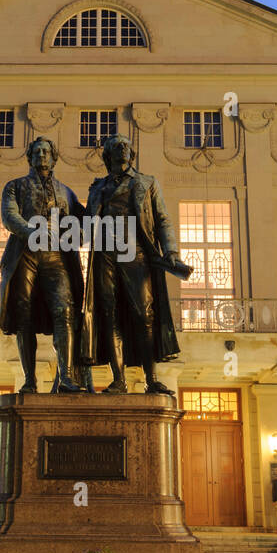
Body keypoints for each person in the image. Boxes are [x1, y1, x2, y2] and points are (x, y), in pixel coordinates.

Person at [80, 134, 190, 394]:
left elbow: (162, 219)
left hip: (137, 253)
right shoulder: (97, 188)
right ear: (107, 156)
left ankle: (152, 379)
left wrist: (171, 250)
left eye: (126, 146)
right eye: (116, 146)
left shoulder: (146, 183)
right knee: (109, 315)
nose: (122, 149)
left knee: (145, 315)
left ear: (132, 154)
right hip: (105, 254)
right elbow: (84, 224)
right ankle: (119, 380)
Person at [0, 136, 88, 393]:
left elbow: (87, 219)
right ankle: (29, 380)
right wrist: (30, 231)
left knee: (65, 312)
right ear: (29, 157)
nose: (41, 155)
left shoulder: (67, 192)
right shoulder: (14, 186)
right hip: (25, 252)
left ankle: (67, 377)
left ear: (53, 157)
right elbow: (9, 216)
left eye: (46, 151)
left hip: (57, 256)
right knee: (23, 316)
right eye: (36, 152)